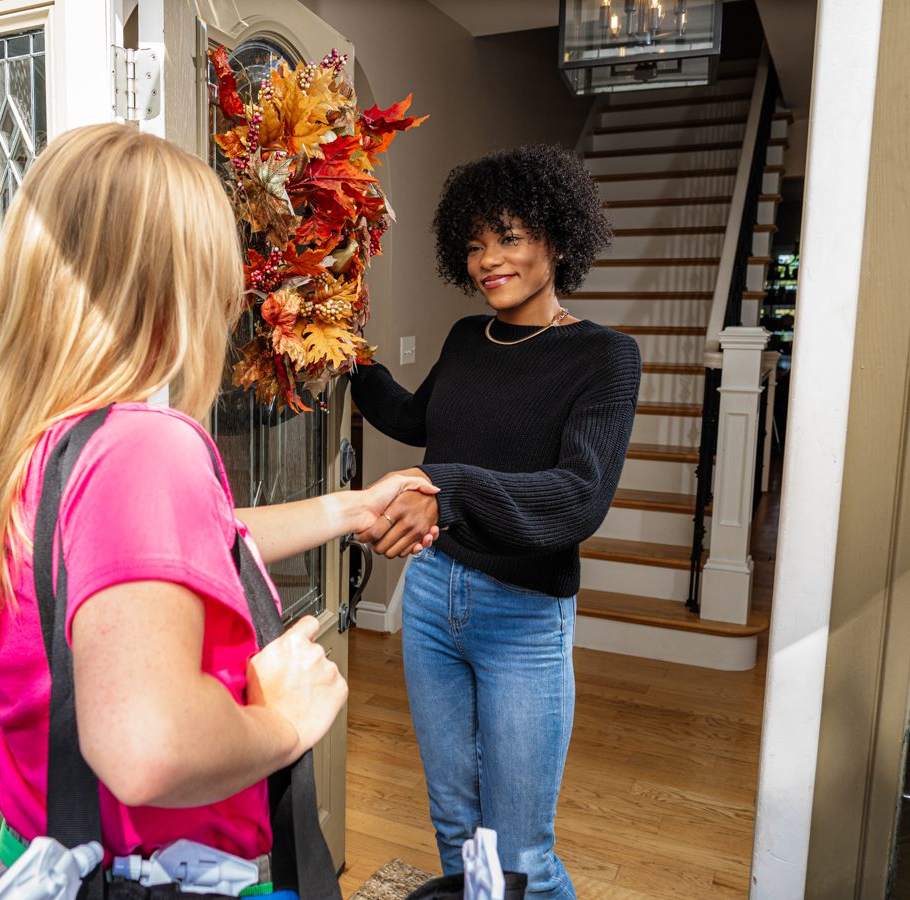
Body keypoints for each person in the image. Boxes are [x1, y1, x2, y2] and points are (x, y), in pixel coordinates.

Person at [0, 124, 439, 885]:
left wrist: (351, 509)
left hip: (43, 859)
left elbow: (180, 549)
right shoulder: (142, 448)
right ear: (170, 288)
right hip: (156, 878)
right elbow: (148, 748)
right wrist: (287, 719)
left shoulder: (31, 448)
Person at [351, 144, 641, 898]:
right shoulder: (464, 339)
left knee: (522, 856)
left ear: (558, 239)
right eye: (475, 244)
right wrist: (351, 357)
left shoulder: (605, 358)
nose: (488, 260)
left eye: (508, 238)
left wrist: (442, 490)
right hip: (432, 596)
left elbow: (577, 497)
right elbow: (418, 420)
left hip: (523, 617)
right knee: (455, 823)